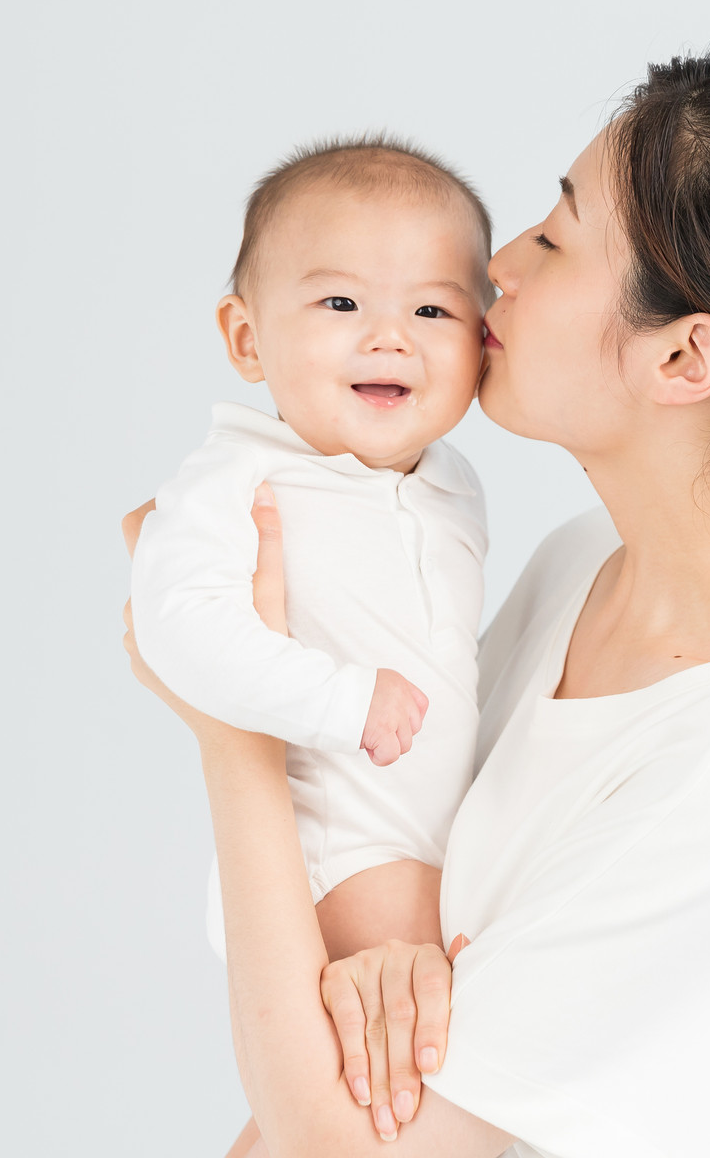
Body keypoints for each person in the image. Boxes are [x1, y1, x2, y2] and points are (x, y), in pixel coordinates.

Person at [122, 53, 710, 1157]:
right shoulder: (585, 568)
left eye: (559, 236)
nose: (498, 268)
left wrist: (234, 734)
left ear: (683, 355)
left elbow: (343, 1140)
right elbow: (369, 991)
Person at [129, 137, 493, 960]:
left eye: (432, 311)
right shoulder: (237, 476)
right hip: (326, 864)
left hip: (441, 857)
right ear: (248, 340)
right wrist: (342, 701)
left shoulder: (455, 483)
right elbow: (175, 624)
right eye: (341, 304)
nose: (392, 338)